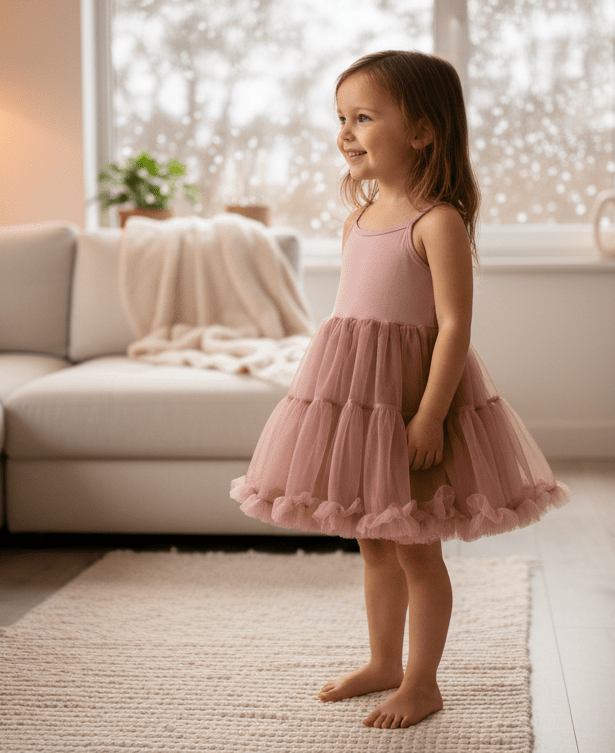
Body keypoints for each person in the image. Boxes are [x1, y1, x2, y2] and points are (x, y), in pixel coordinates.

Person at [230, 50, 571, 729]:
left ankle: (423, 682)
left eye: (364, 117)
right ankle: (383, 661)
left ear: (421, 131)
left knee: (417, 545)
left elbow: (452, 329)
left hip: (414, 403)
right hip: (355, 401)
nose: (346, 132)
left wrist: (430, 415)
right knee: (373, 540)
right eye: (341, 118)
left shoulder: (436, 220)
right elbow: (354, 324)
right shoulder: (358, 218)